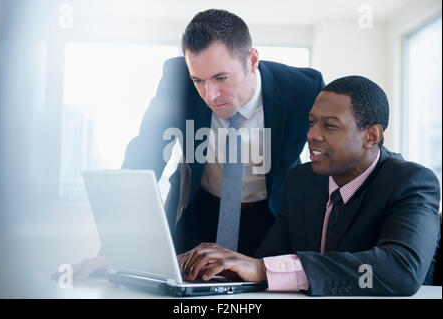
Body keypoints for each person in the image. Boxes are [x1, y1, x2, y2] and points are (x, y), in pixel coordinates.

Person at [53, 9, 324, 280]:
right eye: (198, 80)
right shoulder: (176, 82)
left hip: (271, 217)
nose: (210, 95)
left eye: (221, 78)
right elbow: (143, 156)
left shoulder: (303, 89)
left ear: (251, 60)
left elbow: (328, 164)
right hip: (199, 214)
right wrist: (112, 249)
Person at [178, 75, 441, 296]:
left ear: (371, 136)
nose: (312, 135)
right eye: (312, 122)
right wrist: (224, 267)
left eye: (330, 126)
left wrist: (263, 269)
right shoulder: (302, 180)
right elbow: (271, 258)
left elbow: (400, 270)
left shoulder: (411, 182)